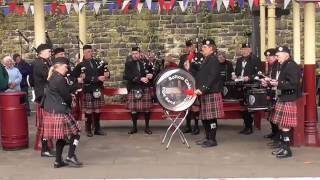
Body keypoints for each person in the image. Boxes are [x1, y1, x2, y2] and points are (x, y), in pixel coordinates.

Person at [42, 57, 83, 168]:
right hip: (60, 110)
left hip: (52, 110)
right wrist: (72, 98)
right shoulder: (59, 78)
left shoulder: (53, 77)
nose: (67, 68)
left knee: (61, 137)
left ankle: (58, 161)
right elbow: (65, 95)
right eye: (65, 66)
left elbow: (62, 91)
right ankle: (70, 155)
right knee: (77, 133)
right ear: (58, 66)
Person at [269, 46, 301, 158]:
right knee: (282, 124)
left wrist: (278, 84)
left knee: (286, 124)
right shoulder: (285, 65)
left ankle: (287, 150)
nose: (277, 58)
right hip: (284, 97)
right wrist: (275, 82)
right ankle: (283, 147)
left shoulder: (291, 65)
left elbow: (294, 83)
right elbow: (284, 81)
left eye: (278, 56)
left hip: (289, 98)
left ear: (286, 55)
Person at [194, 38, 224, 148]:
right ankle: (207, 137)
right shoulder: (206, 59)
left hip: (211, 92)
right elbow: (203, 74)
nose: (202, 49)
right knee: (205, 117)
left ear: (211, 48)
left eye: (204, 47)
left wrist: (202, 89)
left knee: (211, 118)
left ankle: (212, 139)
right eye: (202, 47)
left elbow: (212, 77)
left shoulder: (214, 60)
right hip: (205, 93)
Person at [72, 45, 108, 137]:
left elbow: (105, 71)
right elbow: (73, 76)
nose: (90, 53)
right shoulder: (80, 65)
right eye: (88, 51)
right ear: (83, 53)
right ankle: (88, 129)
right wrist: (96, 78)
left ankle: (97, 129)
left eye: (91, 51)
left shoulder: (97, 62)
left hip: (98, 88)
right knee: (88, 110)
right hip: (88, 89)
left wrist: (107, 75)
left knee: (97, 110)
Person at [32, 43, 55, 157]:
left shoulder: (44, 62)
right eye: (48, 51)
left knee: (47, 124)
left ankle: (46, 148)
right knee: (45, 124)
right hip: (43, 97)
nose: (50, 53)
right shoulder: (39, 63)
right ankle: (44, 149)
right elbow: (48, 78)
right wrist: (53, 69)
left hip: (45, 96)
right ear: (41, 53)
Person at [124, 46, 154, 135]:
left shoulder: (145, 63)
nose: (134, 55)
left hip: (144, 88)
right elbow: (126, 76)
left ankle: (147, 127)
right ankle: (134, 127)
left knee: (147, 109)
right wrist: (139, 78)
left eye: (136, 53)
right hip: (134, 88)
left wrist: (150, 75)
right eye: (133, 54)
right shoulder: (128, 64)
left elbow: (151, 71)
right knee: (133, 109)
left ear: (139, 54)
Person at [234, 43, 262, 135]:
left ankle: (249, 127)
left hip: (250, 86)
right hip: (240, 86)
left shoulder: (255, 60)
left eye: (246, 49)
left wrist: (249, 77)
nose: (244, 51)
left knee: (249, 107)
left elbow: (258, 74)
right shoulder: (239, 60)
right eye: (243, 49)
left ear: (250, 50)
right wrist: (235, 76)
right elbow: (237, 72)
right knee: (242, 107)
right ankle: (246, 126)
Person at [178, 40, 203, 135]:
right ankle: (188, 125)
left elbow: (201, 69)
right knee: (187, 106)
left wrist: (192, 62)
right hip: (186, 84)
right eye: (188, 46)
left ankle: (196, 126)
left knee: (195, 106)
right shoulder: (183, 57)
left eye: (192, 46)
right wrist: (179, 83)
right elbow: (180, 70)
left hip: (196, 84)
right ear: (187, 48)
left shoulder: (200, 56)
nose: (190, 48)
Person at [260, 48, 280, 143]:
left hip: (278, 92)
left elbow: (277, 79)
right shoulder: (272, 66)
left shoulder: (278, 65)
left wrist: (269, 81)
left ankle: (277, 135)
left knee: (275, 115)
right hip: (272, 91)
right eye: (267, 57)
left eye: (270, 56)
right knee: (271, 114)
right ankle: (274, 132)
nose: (268, 58)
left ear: (275, 56)